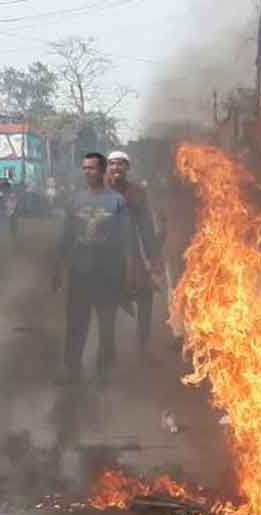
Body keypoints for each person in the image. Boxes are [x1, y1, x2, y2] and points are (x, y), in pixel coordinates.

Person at [54, 152, 131, 384]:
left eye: (91, 168)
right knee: (76, 323)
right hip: (80, 271)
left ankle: (104, 370)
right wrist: (58, 268)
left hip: (108, 272)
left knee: (107, 325)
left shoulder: (117, 201)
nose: (87, 172)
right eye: (84, 168)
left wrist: (126, 273)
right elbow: (65, 237)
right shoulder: (75, 200)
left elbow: (125, 238)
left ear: (103, 170)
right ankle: (72, 368)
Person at [106, 150, 162, 362]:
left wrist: (153, 258)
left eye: (120, 164)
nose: (116, 168)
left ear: (127, 168)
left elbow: (146, 228)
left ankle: (143, 347)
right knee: (105, 304)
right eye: (112, 164)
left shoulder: (137, 193)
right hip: (105, 256)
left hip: (131, 256)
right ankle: (107, 351)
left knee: (145, 297)